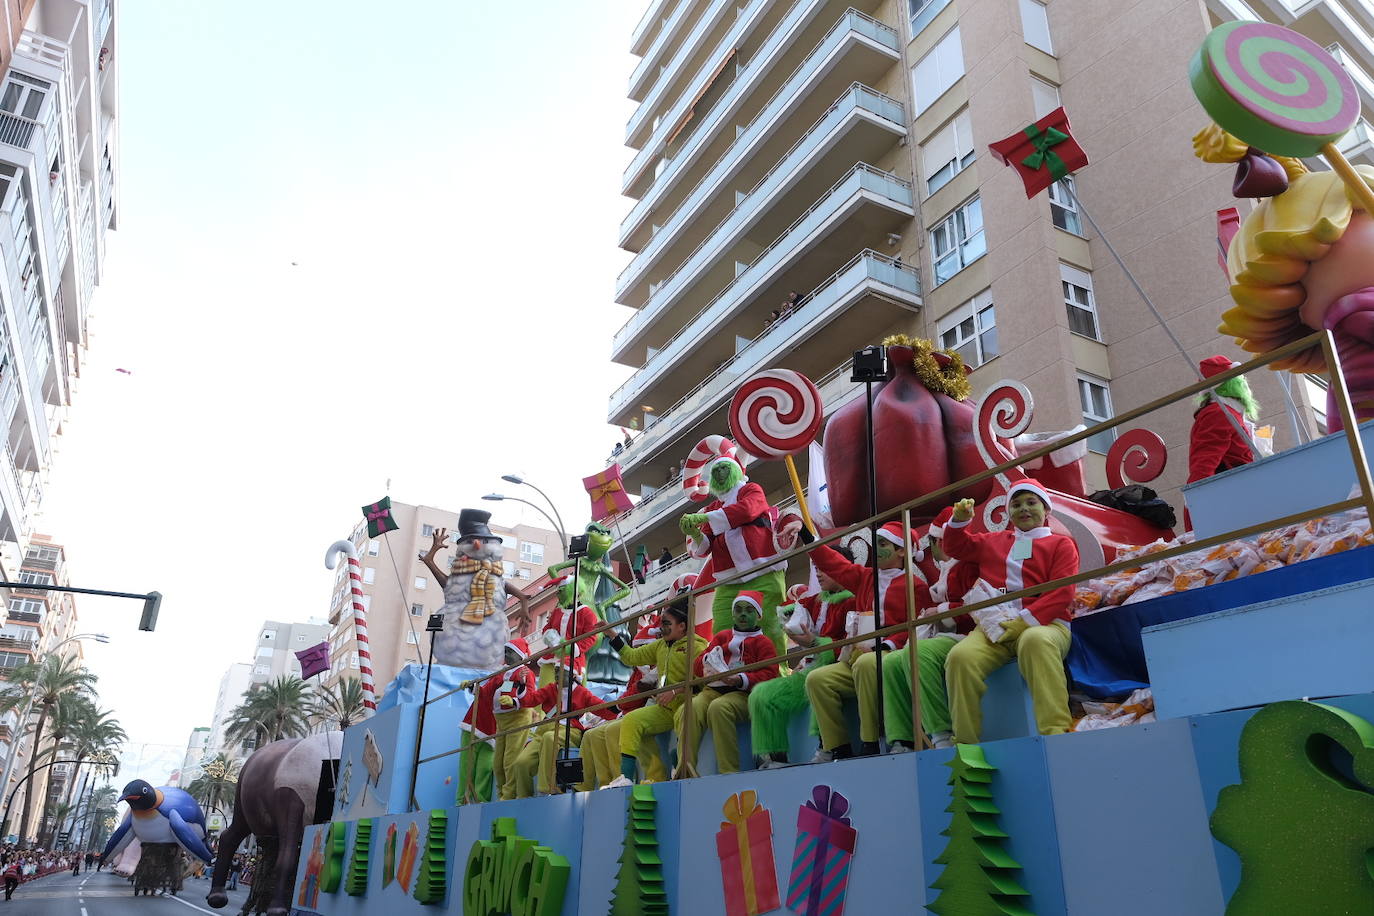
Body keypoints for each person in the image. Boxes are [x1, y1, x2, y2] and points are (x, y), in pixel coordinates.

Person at [942, 480, 1079, 744]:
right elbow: (954, 548)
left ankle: (1056, 736)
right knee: (960, 657)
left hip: (1047, 625)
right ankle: (966, 746)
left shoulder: (1061, 545)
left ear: (1046, 509)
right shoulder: (993, 541)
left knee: (1034, 640)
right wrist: (958, 521)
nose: (1023, 509)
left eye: (1031, 502)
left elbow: (1063, 593)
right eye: (1016, 505)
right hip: (994, 629)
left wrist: (1024, 622)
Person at [804, 520, 930, 760]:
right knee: (817, 679)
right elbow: (831, 561)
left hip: (889, 656)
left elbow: (918, 625)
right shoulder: (865, 577)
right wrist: (804, 534)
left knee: (866, 663)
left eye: (883, 543)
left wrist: (885, 644)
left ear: (901, 550)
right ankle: (836, 746)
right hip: (858, 658)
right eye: (877, 543)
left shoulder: (916, 586)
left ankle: (870, 743)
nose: (877, 548)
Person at [881, 507, 980, 750]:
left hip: (970, 634)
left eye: (933, 542)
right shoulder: (946, 571)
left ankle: (940, 734)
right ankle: (902, 738)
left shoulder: (970, 565)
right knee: (889, 662)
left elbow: (977, 606)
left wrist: (940, 611)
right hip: (946, 635)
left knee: (917, 652)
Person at [679, 446, 788, 653]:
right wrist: (694, 533)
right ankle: (725, 673)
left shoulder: (751, 489)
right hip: (728, 579)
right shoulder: (713, 508)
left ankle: (776, 672)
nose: (720, 473)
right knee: (721, 629)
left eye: (724, 469)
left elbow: (747, 511)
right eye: (716, 470)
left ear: (736, 472)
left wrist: (703, 518)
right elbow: (704, 548)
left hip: (763, 569)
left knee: (770, 626)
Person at [749, 563, 854, 768]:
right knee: (761, 694)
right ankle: (774, 757)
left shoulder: (853, 600)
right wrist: (789, 619)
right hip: (808, 669)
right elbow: (788, 609)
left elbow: (850, 646)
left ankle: (828, 747)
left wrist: (814, 643)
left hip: (835, 668)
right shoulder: (816, 599)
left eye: (824, 567)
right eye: (817, 569)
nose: (819, 573)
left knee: (818, 681)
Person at [605, 599, 708, 787]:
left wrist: (676, 691)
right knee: (631, 721)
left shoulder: (698, 646)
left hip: (689, 704)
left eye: (666, 623)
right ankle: (626, 778)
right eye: (661, 623)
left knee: (682, 714)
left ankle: (680, 767)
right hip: (666, 709)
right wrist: (612, 635)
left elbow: (704, 680)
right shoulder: (660, 645)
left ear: (682, 626)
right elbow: (631, 657)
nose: (661, 628)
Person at [683, 591, 779, 774]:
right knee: (690, 708)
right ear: (733, 613)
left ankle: (728, 771)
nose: (743, 614)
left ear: (759, 615)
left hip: (743, 694)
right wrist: (707, 663)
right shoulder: (722, 636)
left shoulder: (764, 642)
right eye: (739, 609)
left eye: (749, 610)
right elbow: (696, 666)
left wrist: (740, 679)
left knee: (719, 708)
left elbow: (770, 674)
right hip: (712, 690)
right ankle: (685, 769)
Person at [511, 657, 617, 797]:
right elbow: (530, 700)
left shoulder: (582, 692)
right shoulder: (550, 688)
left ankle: (548, 787)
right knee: (521, 763)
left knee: (550, 738)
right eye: (555, 671)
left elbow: (601, 708)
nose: (556, 674)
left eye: (561, 671)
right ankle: (523, 797)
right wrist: (522, 683)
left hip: (569, 730)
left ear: (572, 674)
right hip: (544, 729)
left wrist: (621, 709)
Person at [1189, 355, 1260, 484]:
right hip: (1233, 487)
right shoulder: (1219, 412)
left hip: (1239, 484)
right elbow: (1205, 461)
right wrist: (1197, 499)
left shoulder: (1228, 411)